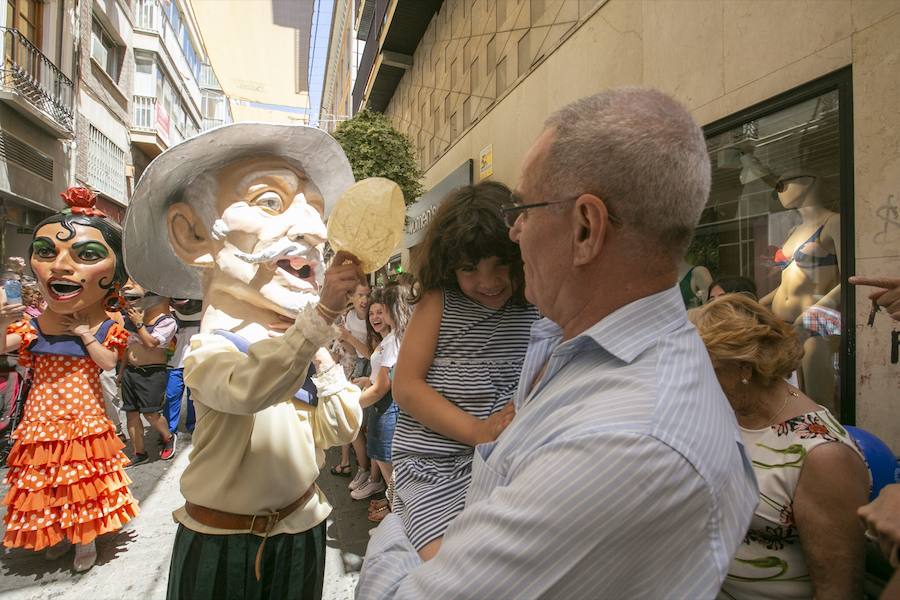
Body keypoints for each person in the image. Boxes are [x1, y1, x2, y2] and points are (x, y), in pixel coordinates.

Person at [356, 87, 758, 598]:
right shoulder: (569, 344)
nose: (516, 232)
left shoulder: (626, 440)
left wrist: (394, 526)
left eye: (524, 209)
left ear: (586, 228)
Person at [122, 122, 363, 600]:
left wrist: (321, 356)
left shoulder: (297, 346)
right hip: (223, 544)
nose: (316, 228)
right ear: (191, 234)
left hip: (302, 531)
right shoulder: (211, 351)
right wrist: (322, 318)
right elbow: (251, 389)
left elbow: (340, 429)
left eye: (316, 211)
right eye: (269, 201)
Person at [387, 181, 539, 560]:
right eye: (469, 268)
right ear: (448, 263)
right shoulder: (439, 301)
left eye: (501, 264)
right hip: (433, 463)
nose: (487, 282)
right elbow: (405, 386)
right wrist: (477, 431)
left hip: (509, 463)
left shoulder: (533, 305)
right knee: (448, 562)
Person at [689, 294, 869, 599]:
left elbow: (838, 590)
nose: (694, 380)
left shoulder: (823, 455)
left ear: (743, 367)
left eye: (705, 369)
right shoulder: (730, 416)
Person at [0, 187, 138, 573]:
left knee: (82, 484)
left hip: (84, 419)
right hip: (41, 422)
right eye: (46, 252)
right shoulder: (31, 324)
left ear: (114, 275)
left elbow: (108, 362)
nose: (59, 266)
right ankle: (56, 534)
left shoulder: (108, 325)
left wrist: (83, 333)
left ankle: (85, 540)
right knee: (49, 484)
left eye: (86, 255)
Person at [352, 285, 412, 513]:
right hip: (383, 410)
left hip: (387, 411)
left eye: (382, 309)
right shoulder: (391, 338)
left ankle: (398, 519)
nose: (377, 315)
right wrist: (368, 379)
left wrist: (349, 404)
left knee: (392, 475)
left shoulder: (393, 341)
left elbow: (382, 387)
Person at [120, 283, 177, 465]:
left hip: (152, 373)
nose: (130, 303)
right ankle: (140, 453)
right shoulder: (129, 319)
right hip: (131, 372)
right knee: (132, 414)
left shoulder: (167, 321)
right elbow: (127, 349)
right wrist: (121, 372)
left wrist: (138, 324)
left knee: (151, 414)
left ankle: (168, 437)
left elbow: (151, 343)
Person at [332, 282, 372, 478]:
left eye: (367, 295)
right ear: (352, 298)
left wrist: (347, 338)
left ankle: (365, 470)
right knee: (348, 419)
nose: (364, 300)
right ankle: (347, 462)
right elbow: (344, 345)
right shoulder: (348, 316)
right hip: (350, 368)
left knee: (355, 422)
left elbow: (371, 353)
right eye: (360, 295)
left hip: (366, 370)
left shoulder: (373, 319)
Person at [164, 298, 202, 435]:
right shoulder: (166, 315)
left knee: (195, 398)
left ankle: (194, 427)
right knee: (171, 397)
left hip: (195, 363)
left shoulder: (206, 313)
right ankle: (168, 433)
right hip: (175, 363)